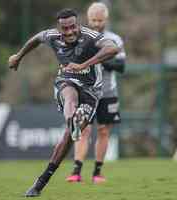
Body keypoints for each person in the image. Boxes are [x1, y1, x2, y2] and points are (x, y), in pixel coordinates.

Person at [8, 8, 119, 197]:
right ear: (59, 28)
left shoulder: (90, 36)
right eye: (64, 28)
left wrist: (84, 65)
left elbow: (113, 48)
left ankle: (41, 181)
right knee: (69, 94)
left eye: (73, 27)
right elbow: (36, 39)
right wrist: (18, 56)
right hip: (66, 81)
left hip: (92, 91)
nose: (69, 32)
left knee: (68, 138)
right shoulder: (52, 36)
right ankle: (73, 120)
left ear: (78, 24)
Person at [66, 2, 126, 184]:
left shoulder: (115, 39)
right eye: (93, 20)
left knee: (103, 131)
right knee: (84, 130)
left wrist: (99, 59)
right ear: (88, 18)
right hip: (86, 92)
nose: (97, 23)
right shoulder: (80, 38)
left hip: (108, 92)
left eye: (100, 20)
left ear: (105, 19)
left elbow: (121, 66)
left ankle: (97, 173)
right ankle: (76, 172)